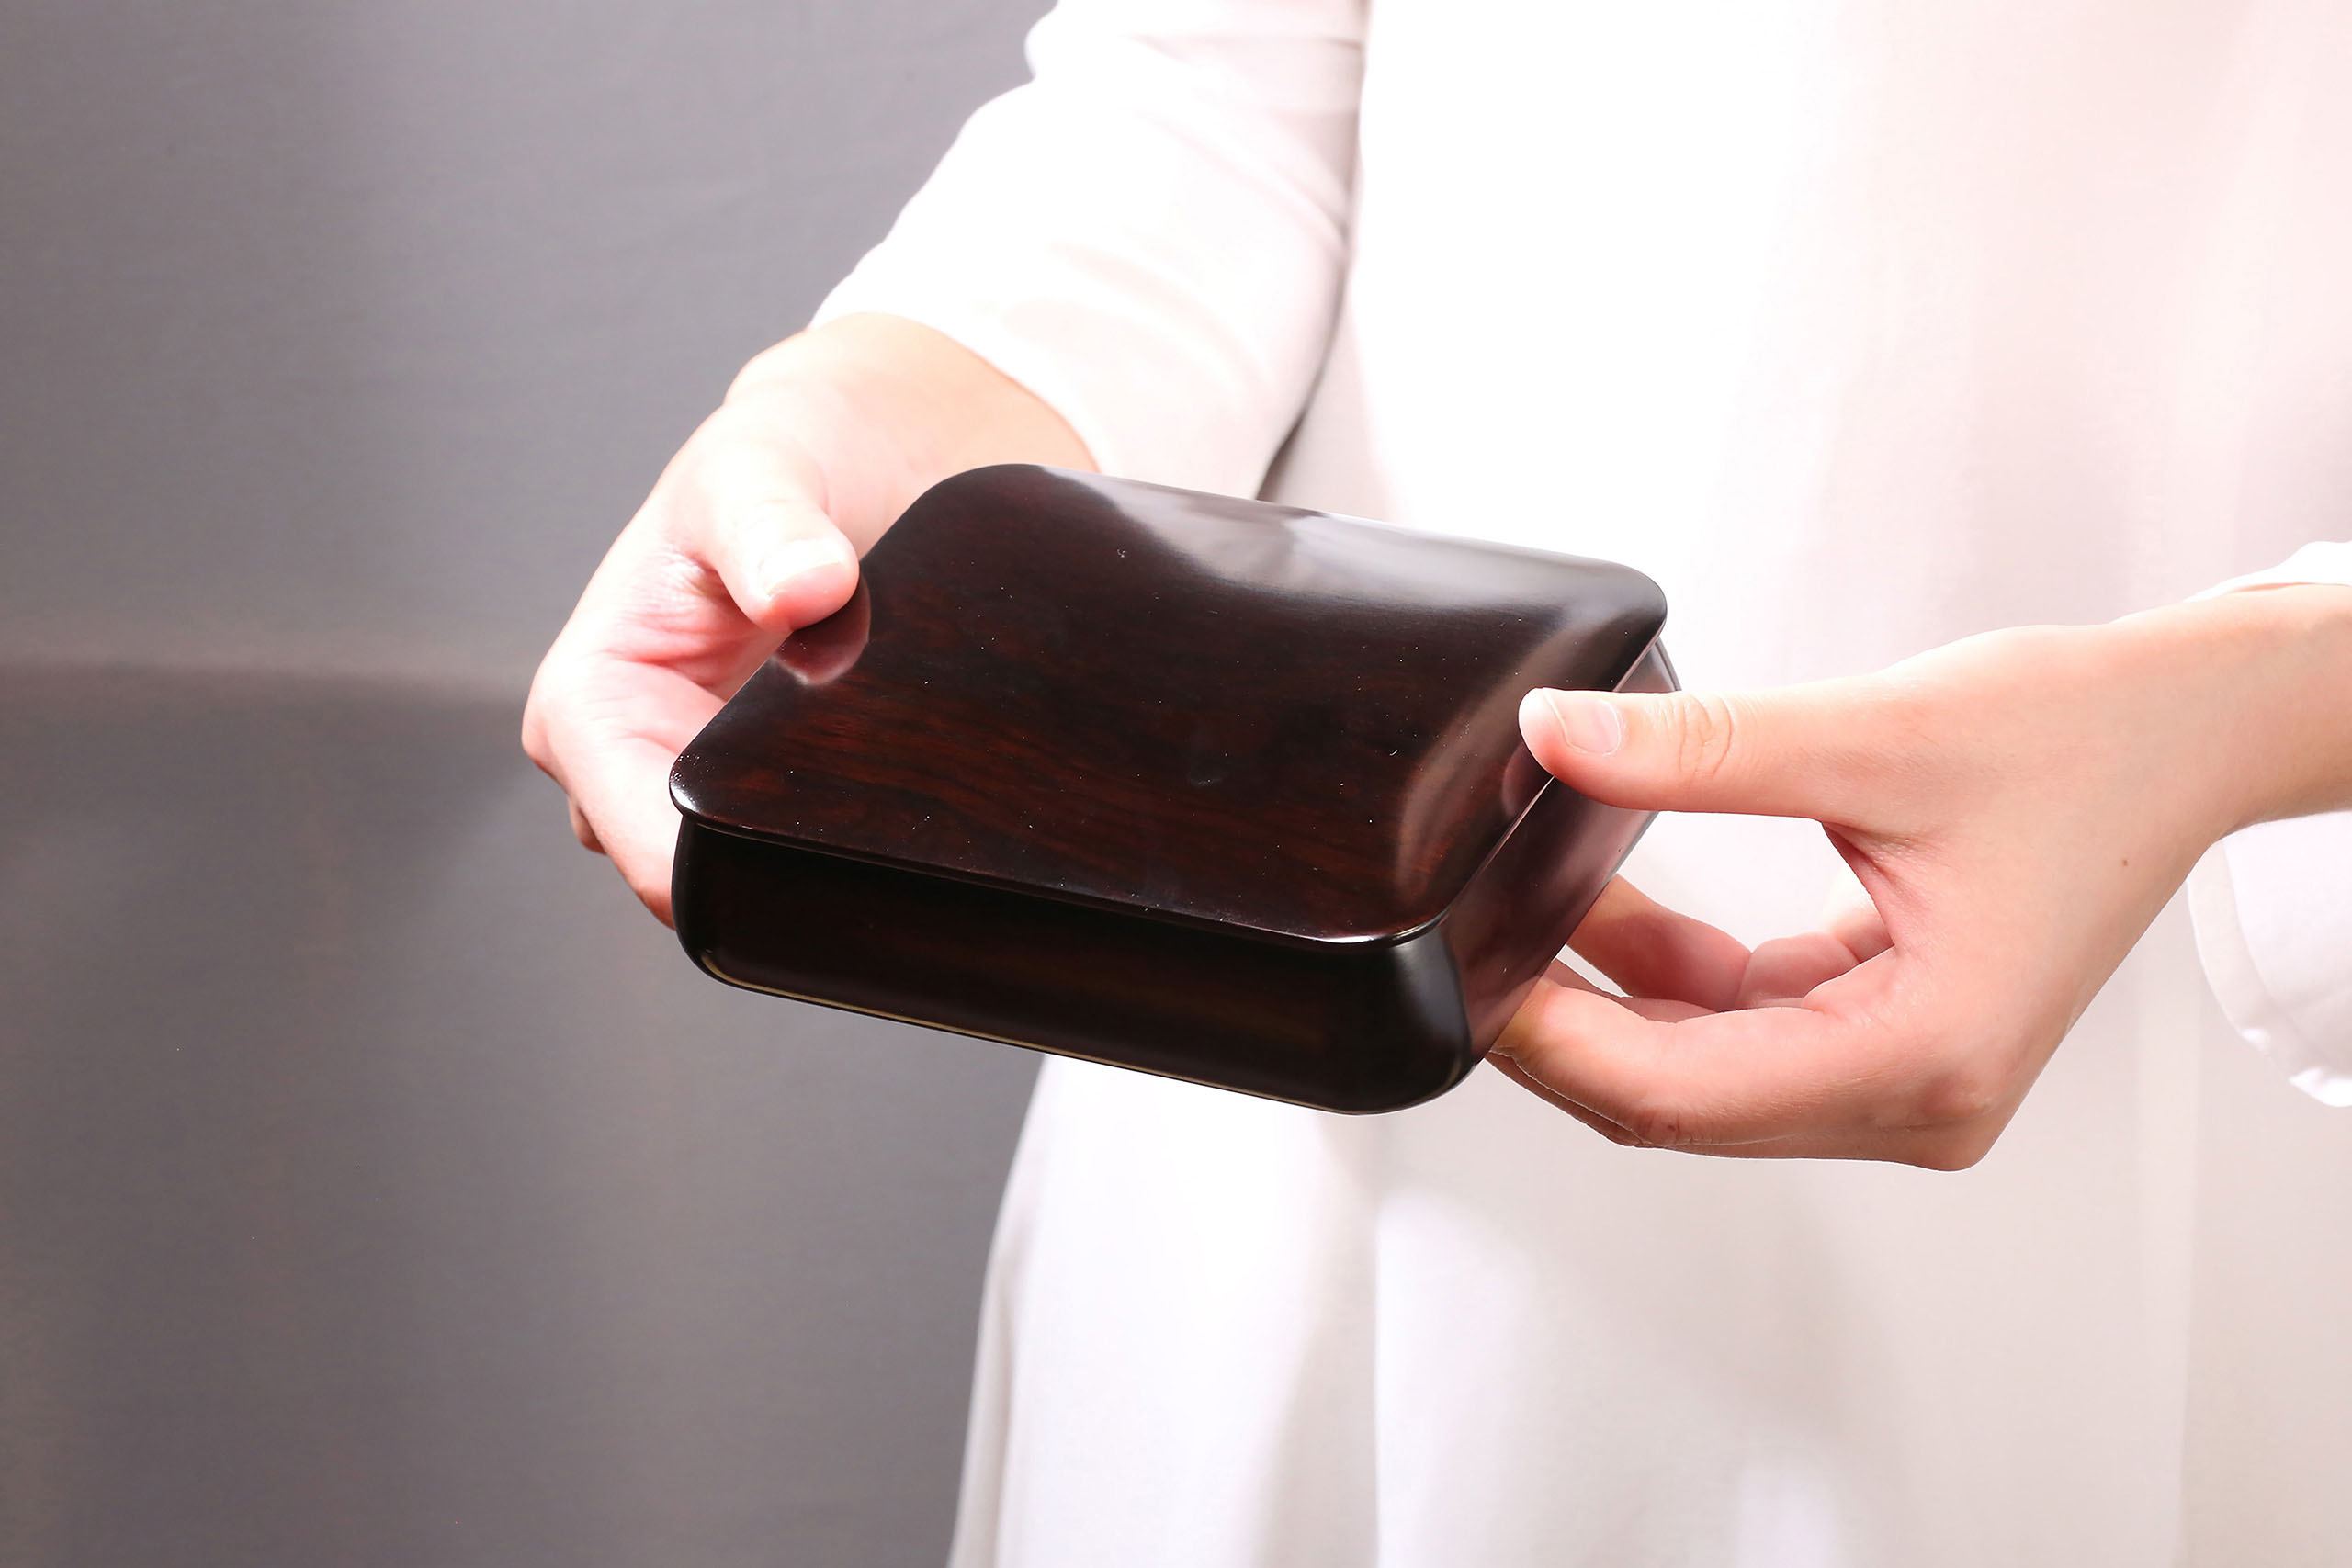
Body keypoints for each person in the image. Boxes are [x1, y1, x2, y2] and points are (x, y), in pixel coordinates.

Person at [523, 2, 2352, 1562]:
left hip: (2180, 999)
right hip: (1285, 970)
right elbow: (1221, 88)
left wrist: (2254, 709)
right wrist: (889, 416)